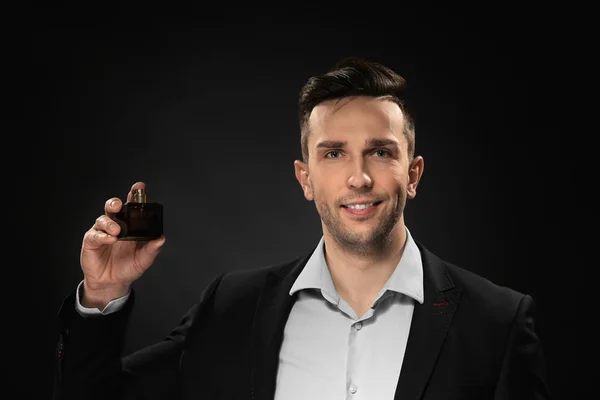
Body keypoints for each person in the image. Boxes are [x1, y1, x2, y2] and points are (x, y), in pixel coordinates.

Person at [52, 57, 552, 400]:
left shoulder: (498, 323)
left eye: (380, 151)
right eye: (333, 153)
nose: (358, 177)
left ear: (414, 174)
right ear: (306, 178)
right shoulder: (231, 307)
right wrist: (102, 292)